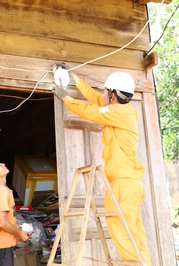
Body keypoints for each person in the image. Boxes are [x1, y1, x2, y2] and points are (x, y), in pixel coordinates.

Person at [52, 67, 152, 266]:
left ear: (113, 96)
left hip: (123, 183)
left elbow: (89, 109)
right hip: (128, 181)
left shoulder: (118, 112)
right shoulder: (121, 110)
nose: (103, 94)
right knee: (134, 232)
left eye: (106, 91)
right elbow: (97, 100)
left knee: (120, 227)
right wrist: (75, 78)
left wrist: (65, 98)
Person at [0, 156, 31, 266]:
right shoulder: (2, 191)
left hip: (1, 246)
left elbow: (7, 220)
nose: (4, 164)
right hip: (2, 247)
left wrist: (21, 230)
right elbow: (3, 222)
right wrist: (20, 234)